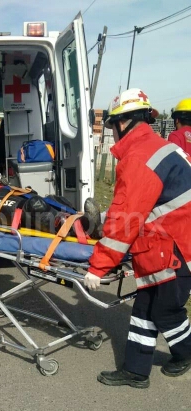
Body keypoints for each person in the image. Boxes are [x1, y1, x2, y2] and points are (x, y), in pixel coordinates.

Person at [83, 88, 191, 388]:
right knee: (145, 309)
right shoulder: (156, 146)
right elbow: (144, 208)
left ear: (121, 123)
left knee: (166, 309)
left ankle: (186, 352)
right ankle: (136, 370)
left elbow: (126, 219)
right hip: (169, 242)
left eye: (113, 127)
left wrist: (98, 266)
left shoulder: (139, 156)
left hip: (176, 248)